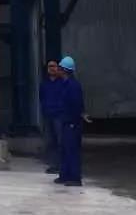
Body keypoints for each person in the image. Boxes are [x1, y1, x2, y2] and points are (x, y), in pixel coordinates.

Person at [55, 55, 84, 187]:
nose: (58, 70)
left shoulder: (73, 86)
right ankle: (65, 175)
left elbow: (77, 105)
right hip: (66, 121)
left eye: (60, 68)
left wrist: (73, 121)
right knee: (65, 149)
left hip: (72, 123)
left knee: (72, 150)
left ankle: (75, 177)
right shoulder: (65, 84)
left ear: (64, 70)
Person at [39, 59, 64, 173]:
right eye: (50, 66)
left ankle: (62, 165)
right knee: (50, 141)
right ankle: (53, 165)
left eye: (54, 66)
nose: (52, 68)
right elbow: (42, 98)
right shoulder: (44, 84)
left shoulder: (62, 83)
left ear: (58, 68)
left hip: (59, 116)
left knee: (60, 141)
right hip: (48, 116)